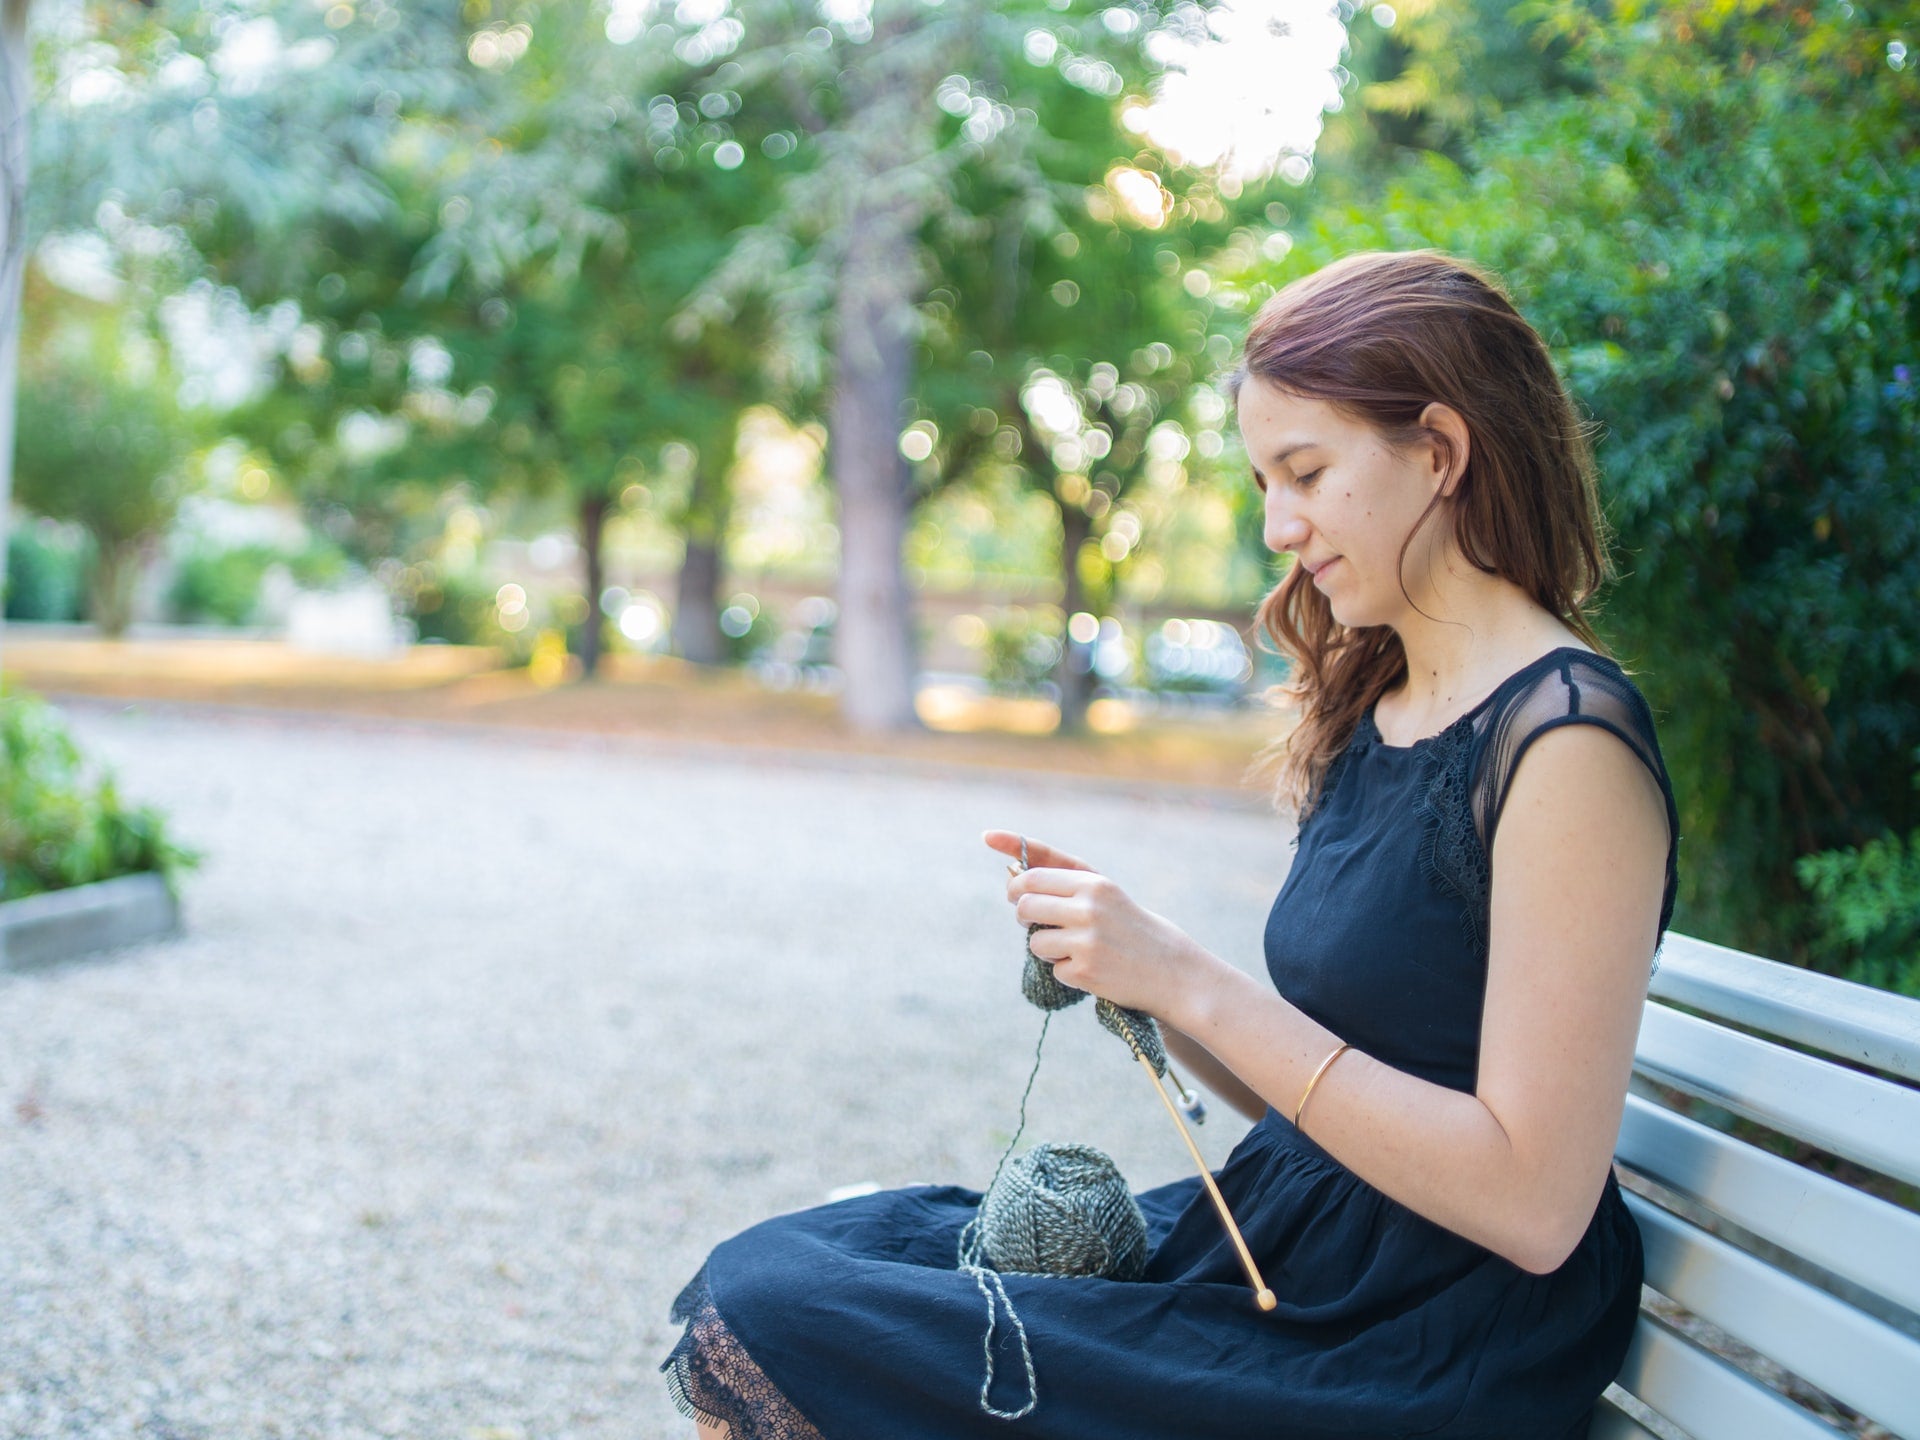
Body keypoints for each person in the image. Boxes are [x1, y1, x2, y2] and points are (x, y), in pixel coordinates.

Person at [661, 249, 1679, 1439]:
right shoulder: (1389, 705)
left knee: (791, 1314)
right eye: (1262, 480)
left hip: (1422, 1337)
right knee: (799, 1270)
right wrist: (1132, 966)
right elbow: (1318, 1102)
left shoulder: (1565, 744)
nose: (1276, 526)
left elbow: (1531, 1202)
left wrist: (1187, 976)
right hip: (1304, 1254)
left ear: (1441, 453)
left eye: (1304, 473)